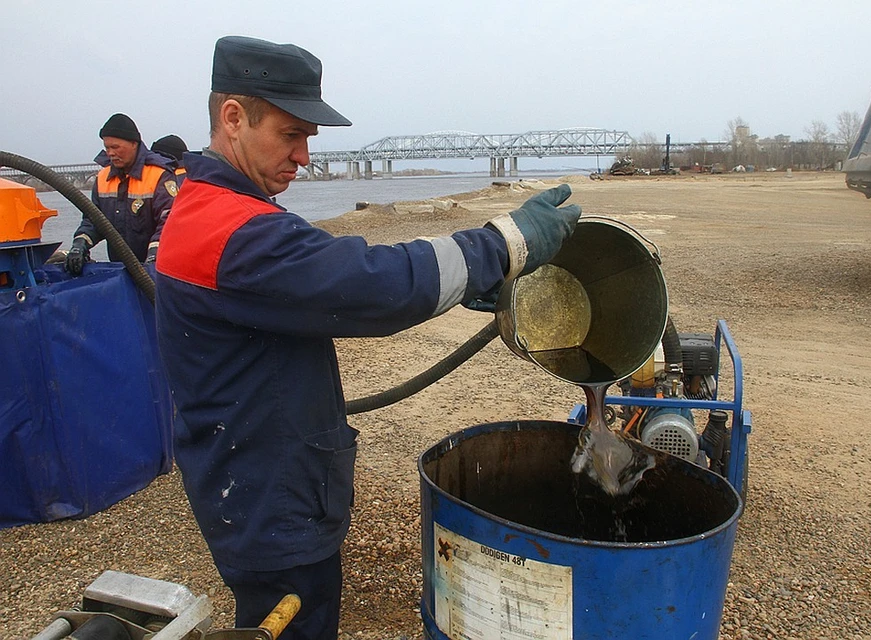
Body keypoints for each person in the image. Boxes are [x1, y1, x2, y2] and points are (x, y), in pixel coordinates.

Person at [154, 35, 580, 640]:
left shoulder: (217, 210)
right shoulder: (232, 232)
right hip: (269, 498)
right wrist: (502, 244)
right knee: (291, 619)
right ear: (233, 118)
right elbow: (371, 285)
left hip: (252, 476)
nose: (303, 157)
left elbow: (319, 281)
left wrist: (468, 285)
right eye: (290, 134)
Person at [65, 114, 179, 275]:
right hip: (121, 272)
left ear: (134, 144)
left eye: (116, 147)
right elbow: (93, 221)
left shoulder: (158, 176)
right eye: (107, 148)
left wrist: (154, 256)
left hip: (157, 273)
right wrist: (80, 244)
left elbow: (169, 222)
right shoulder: (103, 178)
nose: (110, 153)